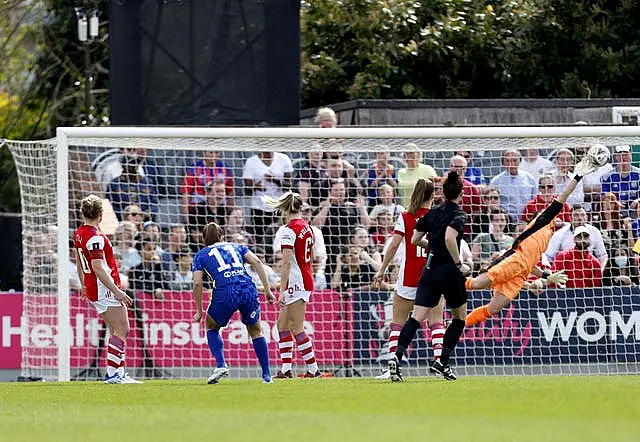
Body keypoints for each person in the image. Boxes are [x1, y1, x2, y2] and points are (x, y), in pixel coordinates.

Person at [464, 154, 604, 327]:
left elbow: (531, 265)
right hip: (513, 262)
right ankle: (443, 284)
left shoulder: (548, 235)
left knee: (493, 309)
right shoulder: (542, 221)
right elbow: (565, 195)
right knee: (476, 284)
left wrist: (547, 275)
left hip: (521, 273)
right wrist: (577, 176)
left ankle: (457, 325)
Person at [389, 171, 470, 382]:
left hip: (429, 271)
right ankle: (442, 361)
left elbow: (415, 239)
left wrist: (432, 245)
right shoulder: (459, 214)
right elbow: (450, 238)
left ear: (442, 193)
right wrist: (459, 263)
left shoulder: (431, 215)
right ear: (460, 194)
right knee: (459, 318)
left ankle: (396, 357)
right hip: (449, 273)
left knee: (415, 318)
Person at [372, 178, 446, 380]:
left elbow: (393, 246)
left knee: (397, 323)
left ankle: (392, 366)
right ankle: (439, 362)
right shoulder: (439, 216)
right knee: (436, 322)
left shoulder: (405, 217)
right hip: (433, 275)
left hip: (409, 277)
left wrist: (382, 270)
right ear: (433, 196)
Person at [191, 223, 276, 384]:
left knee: (211, 326)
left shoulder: (200, 255)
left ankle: (221, 364)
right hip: (247, 288)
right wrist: (267, 290)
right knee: (256, 331)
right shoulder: (238, 247)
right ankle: (267, 376)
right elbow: (257, 262)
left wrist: (199, 310)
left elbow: (197, 283)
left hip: (225, 291)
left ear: (203, 239)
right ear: (222, 236)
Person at [72, 195, 140, 384]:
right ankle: (113, 374)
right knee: (123, 329)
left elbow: (78, 261)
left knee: (115, 330)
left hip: (94, 287)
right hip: (104, 288)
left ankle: (118, 373)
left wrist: (83, 284)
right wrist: (116, 291)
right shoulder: (95, 238)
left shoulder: (79, 233)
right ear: (101, 215)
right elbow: (98, 267)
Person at [267, 191, 326, 378]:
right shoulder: (308, 228)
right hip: (304, 277)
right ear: (301, 208)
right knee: (281, 326)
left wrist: (282, 290)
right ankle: (286, 370)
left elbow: (285, 263)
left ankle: (313, 369)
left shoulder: (288, 230)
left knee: (296, 327)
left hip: (296, 281)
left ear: (285, 208)